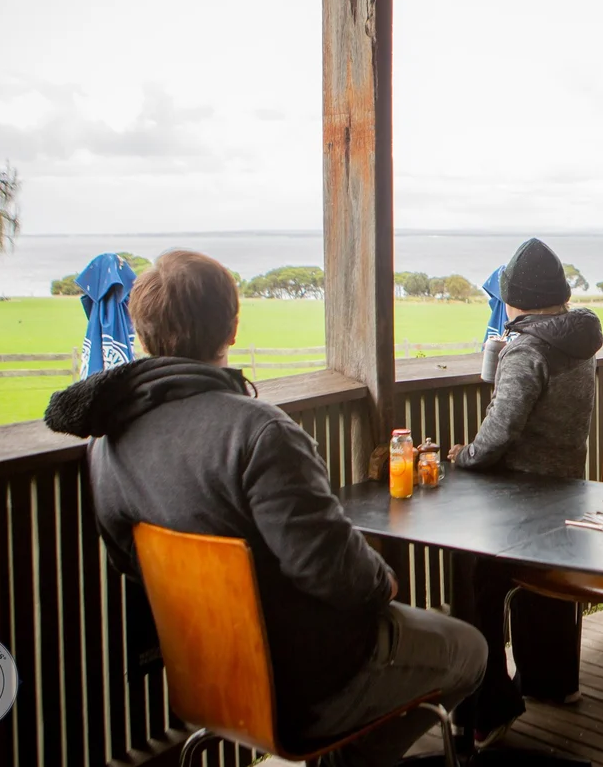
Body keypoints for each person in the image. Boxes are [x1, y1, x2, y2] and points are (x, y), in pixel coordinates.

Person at [45, 251, 484, 766]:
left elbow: (129, 560)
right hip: (312, 681)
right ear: (231, 331)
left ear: (142, 334)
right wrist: (382, 582)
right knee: (470, 650)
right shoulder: (258, 433)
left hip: (205, 679)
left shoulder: (105, 443)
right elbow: (337, 574)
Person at [445, 238, 603, 743]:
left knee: (472, 568)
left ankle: (488, 706)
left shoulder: (527, 348)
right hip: (566, 495)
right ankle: (552, 681)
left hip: (522, 503)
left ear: (516, 300)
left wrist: (463, 457)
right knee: (540, 574)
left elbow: (500, 429)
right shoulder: (579, 339)